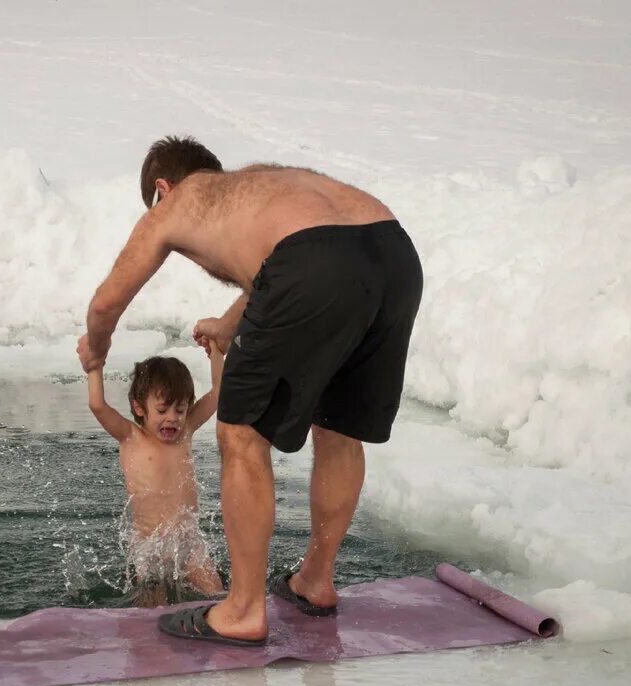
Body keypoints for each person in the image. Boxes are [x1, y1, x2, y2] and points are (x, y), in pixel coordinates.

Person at [77, 136, 423, 645]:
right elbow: (286, 257)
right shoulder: (259, 182)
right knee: (341, 429)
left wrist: (96, 349)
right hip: (394, 253)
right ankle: (315, 581)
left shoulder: (177, 203)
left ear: (161, 187)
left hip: (316, 262)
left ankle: (241, 609)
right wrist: (228, 322)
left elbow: (105, 304)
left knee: (240, 433)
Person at [85, 347, 225, 605]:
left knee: (219, 600)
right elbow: (97, 405)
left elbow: (217, 393)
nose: (172, 419)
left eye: (180, 410)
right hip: (150, 548)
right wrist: (95, 365)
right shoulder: (130, 437)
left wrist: (216, 350)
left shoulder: (186, 431)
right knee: (150, 612)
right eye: (162, 410)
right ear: (139, 408)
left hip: (189, 543)